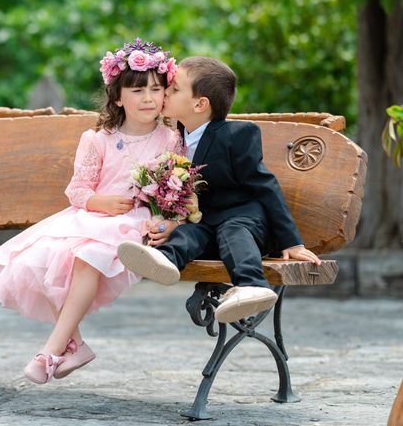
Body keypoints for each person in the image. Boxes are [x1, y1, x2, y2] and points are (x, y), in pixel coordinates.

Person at [0, 38, 180, 384]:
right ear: (118, 97)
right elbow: (77, 190)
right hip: (93, 217)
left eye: (155, 88)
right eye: (137, 91)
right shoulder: (99, 139)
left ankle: (52, 350)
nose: (148, 98)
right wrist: (99, 201)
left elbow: (178, 190)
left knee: (87, 256)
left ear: (166, 93)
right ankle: (76, 344)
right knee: (42, 258)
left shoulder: (170, 138)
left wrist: (165, 219)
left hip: (134, 223)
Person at [117, 56, 321, 323]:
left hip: (244, 219)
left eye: (175, 89)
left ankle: (251, 287)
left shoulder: (236, 134)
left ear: (201, 104)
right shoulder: (173, 139)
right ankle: (163, 260)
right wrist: (170, 223)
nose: (165, 91)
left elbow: (265, 185)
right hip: (206, 223)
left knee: (234, 234)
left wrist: (291, 241)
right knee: (187, 236)